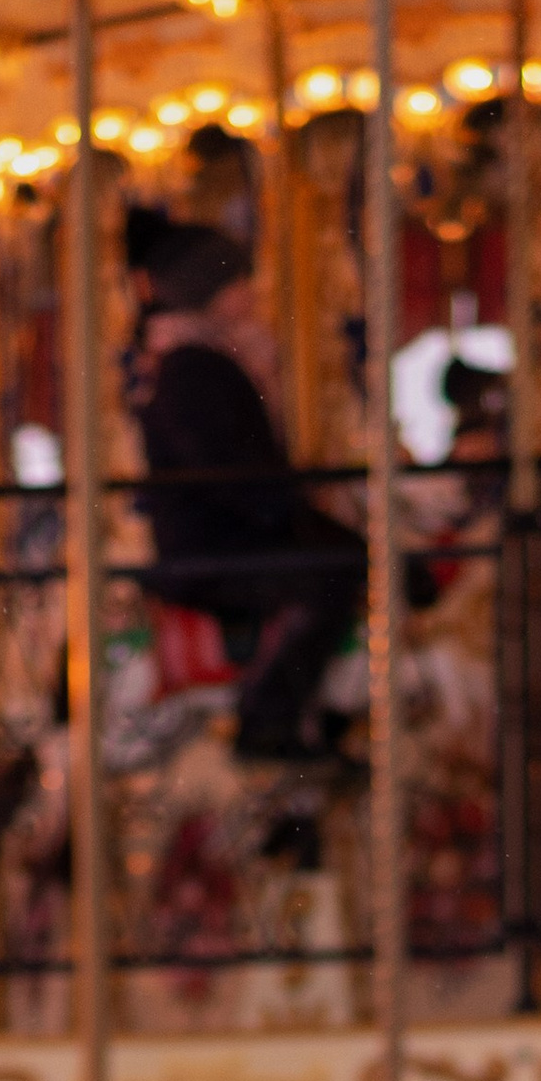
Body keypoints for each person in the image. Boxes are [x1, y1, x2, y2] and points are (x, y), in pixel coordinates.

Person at [125, 212, 366, 761]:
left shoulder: (203, 361)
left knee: (345, 556)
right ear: (212, 293)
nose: (250, 292)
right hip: (212, 547)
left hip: (222, 534)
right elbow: (226, 466)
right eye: (237, 281)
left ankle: (318, 716)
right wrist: (281, 503)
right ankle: (268, 720)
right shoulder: (194, 368)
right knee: (330, 575)